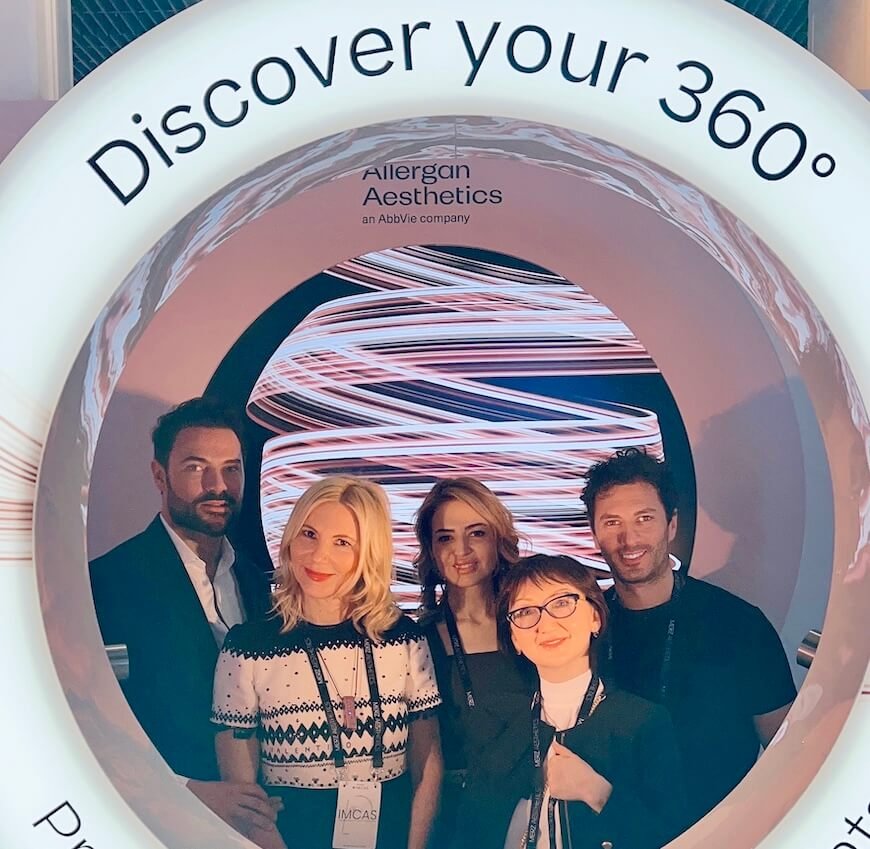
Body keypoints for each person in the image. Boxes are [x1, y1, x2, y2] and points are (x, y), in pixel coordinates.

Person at [212, 475, 443, 849]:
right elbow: (243, 796)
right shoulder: (247, 647)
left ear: (368, 553)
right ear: (290, 539)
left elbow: (428, 764)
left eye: (342, 543)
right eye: (309, 534)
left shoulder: (404, 638)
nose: (319, 556)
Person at [89, 397, 276, 835]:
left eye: (232, 468)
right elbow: (89, 720)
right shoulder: (107, 583)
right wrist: (185, 790)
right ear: (160, 476)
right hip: (152, 825)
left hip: (261, 824)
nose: (218, 485)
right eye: (197, 468)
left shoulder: (260, 585)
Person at [581, 447, 797, 826]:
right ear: (594, 533)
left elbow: (788, 755)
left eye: (644, 518)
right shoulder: (581, 628)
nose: (629, 539)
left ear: (671, 524)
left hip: (724, 833)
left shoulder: (738, 624)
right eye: (612, 522)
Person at [499, 554, 686, 849]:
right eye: (525, 612)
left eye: (562, 603)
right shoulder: (499, 725)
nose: (545, 623)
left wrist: (597, 793)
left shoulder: (641, 721)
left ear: (595, 617)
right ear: (514, 638)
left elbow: (674, 835)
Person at [415, 478, 532, 849]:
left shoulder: (535, 623)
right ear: (431, 550)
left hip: (534, 810)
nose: (461, 551)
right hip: (458, 820)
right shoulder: (417, 640)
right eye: (445, 538)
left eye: (476, 533)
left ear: (499, 540)